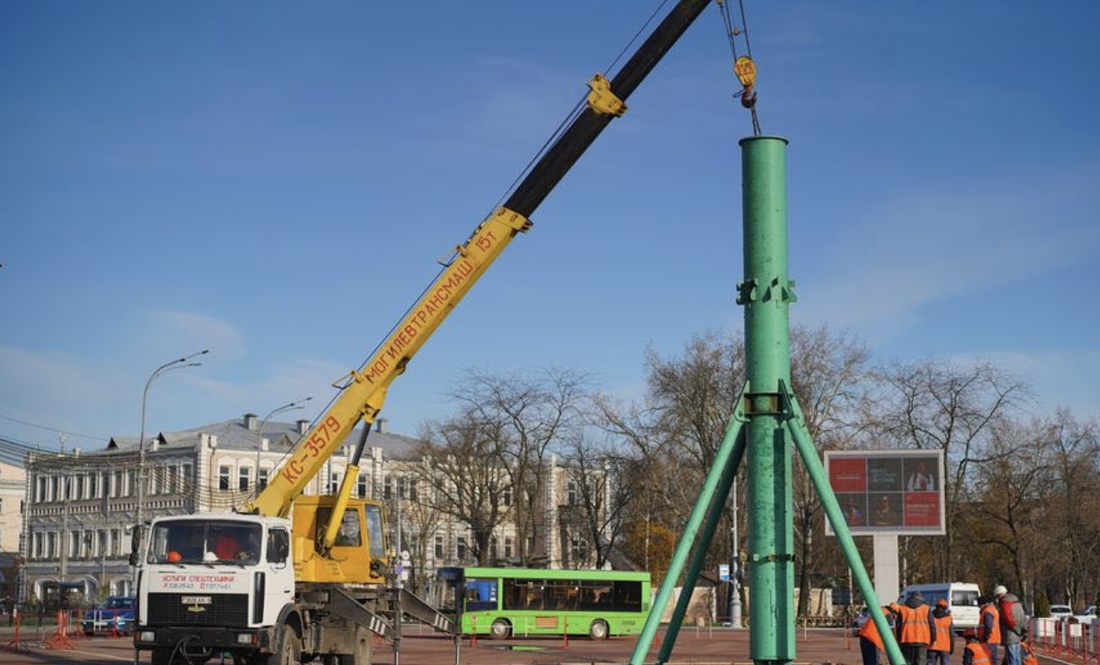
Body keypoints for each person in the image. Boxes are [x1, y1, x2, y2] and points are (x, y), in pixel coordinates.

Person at [895, 591, 937, 665]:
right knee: (920, 662)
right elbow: (932, 625)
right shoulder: (926, 608)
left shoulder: (902, 608)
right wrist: (933, 639)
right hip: (922, 640)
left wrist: (898, 639)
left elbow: (898, 626)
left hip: (906, 640)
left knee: (907, 661)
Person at [995, 585, 1028, 665]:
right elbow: (1023, 617)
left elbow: (1009, 619)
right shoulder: (1017, 603)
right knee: (1017, 657)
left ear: (999, 595)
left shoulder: (1005, 604)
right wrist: (1022, 630)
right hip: (1017, 635)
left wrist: (1016, 629)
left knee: (1011, 658)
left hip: (1010, 635)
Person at [928, 598, 954, 665]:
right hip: (945, 646)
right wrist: (952, 647)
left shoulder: (930, 617)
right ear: (945, 608)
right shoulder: (948, 618)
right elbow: (952, 635)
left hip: (932, 646)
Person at [977, 596, 1001, 665]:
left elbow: (988, 626)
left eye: (979, 605)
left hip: (989, 639)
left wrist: (985, 637)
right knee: (993, 657)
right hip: (994, 637)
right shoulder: (992, 609)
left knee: (989, 658)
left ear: (982, 604)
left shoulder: (987, 611)